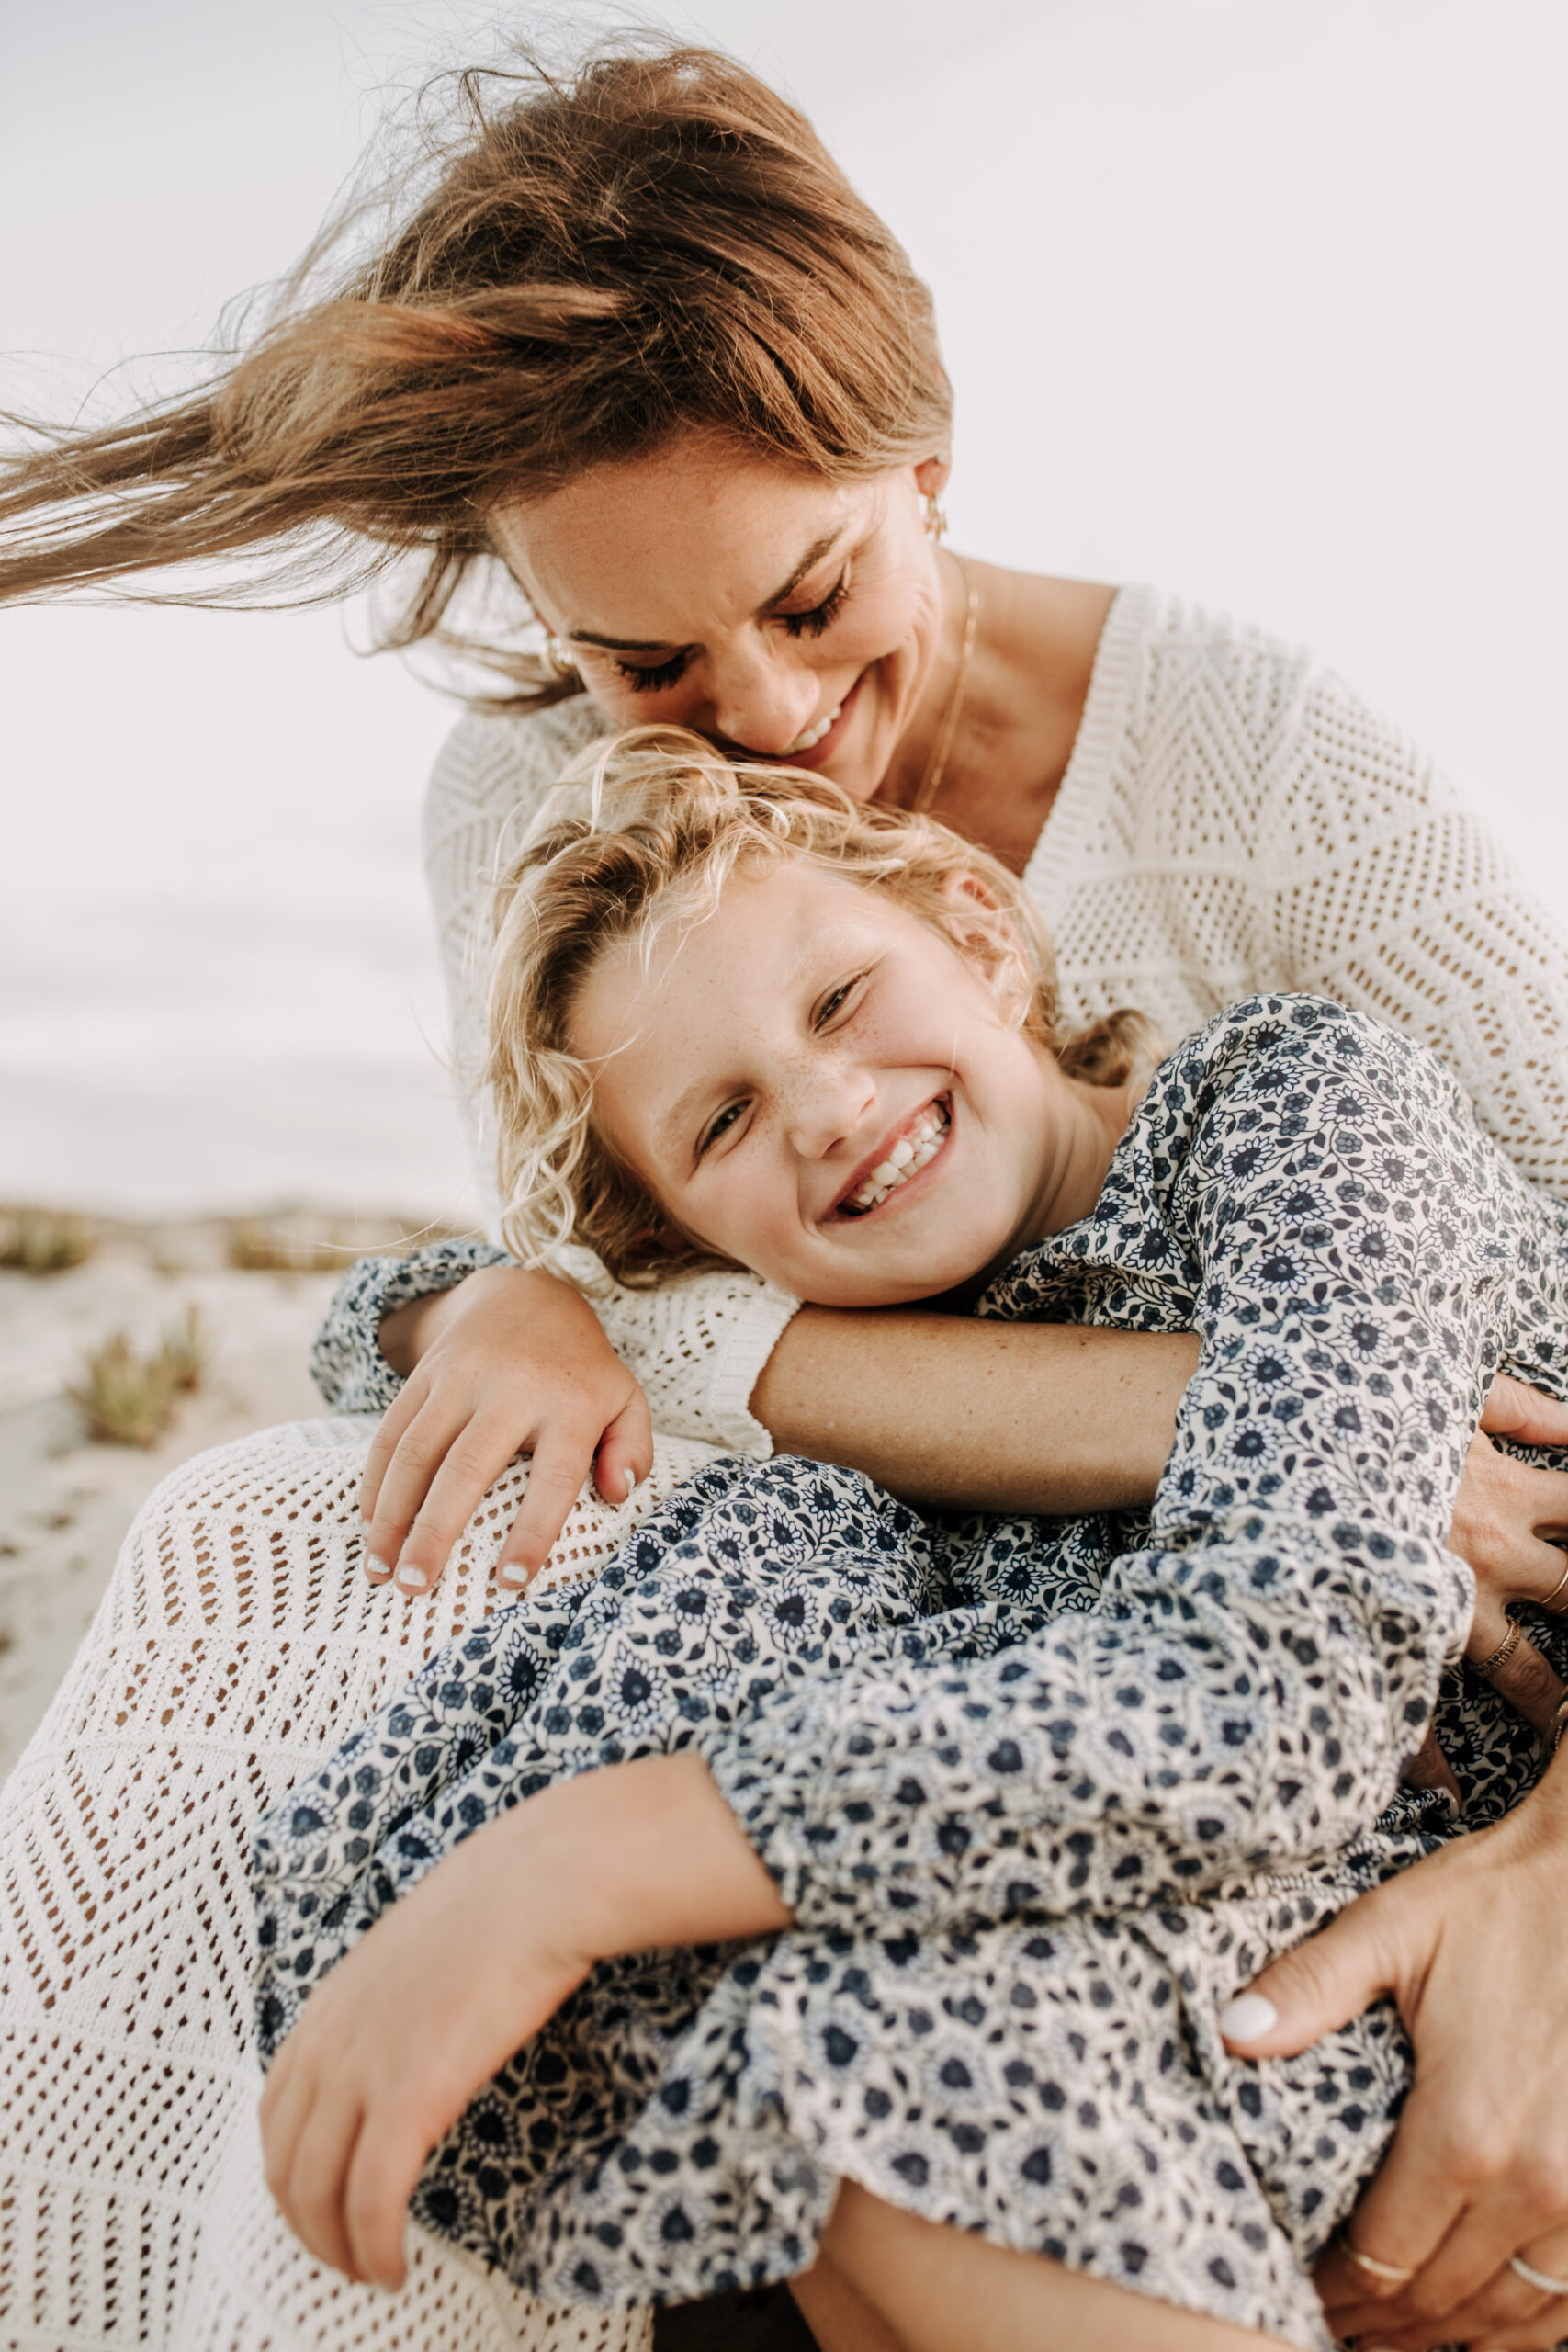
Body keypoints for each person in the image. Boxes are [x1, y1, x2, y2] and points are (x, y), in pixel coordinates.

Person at [3, 35, 1568, 2352]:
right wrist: (509, 1299)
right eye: (640, 660)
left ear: (922, 466)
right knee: (278, 1540)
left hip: (1371, 1653)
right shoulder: (540, 811)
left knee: (794, 1955)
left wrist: (1544, 1875)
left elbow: (1433, 1442)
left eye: (818, 595)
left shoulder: (1263, 786)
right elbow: (653, 1294)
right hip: (985, 1563)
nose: (760, 713)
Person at [256, 738, 1568, 2352]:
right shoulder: (898, 1403)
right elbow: (357, 1320)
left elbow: (1273, 1696)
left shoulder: (1293, 1109)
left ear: (978, 929)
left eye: (837, 1001)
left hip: (1459, 1920)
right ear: (689, 1247)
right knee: (809, 2001)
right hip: (1251, 1951)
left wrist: (577, 1864)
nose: (825, 1109)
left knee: (884, 2049)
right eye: (722, 1120)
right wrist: (503, 1304)